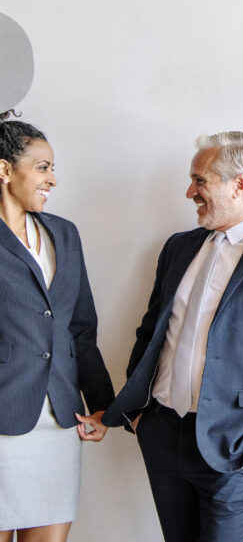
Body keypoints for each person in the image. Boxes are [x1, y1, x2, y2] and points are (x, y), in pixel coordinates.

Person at [102, 131, 243, 542]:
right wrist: (138, 413)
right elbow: (151, 331)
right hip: (162, 435)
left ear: (239, 184)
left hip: (233, 448)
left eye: (200, 180)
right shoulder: (178, 247)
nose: (190, 191)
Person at [0, 119, 114, 542]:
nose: (54, 179)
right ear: (5, 170)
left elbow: (80, 329)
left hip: (61, 420)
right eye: (43, 167)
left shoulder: (64, 233)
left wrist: (103, 405)